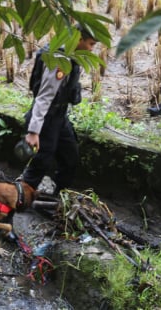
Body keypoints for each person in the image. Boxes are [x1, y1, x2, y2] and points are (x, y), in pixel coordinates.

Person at [20, 25, 97, 196]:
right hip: (47, 117)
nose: (92, 50)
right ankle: (19, 200)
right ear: (78, 40)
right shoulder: (58, 61)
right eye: (91, 44)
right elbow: (44, 97)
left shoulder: (69, 55)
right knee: (41, 161)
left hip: (59, 116)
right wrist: (33, 131)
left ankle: (57, 194)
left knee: (70, 155)